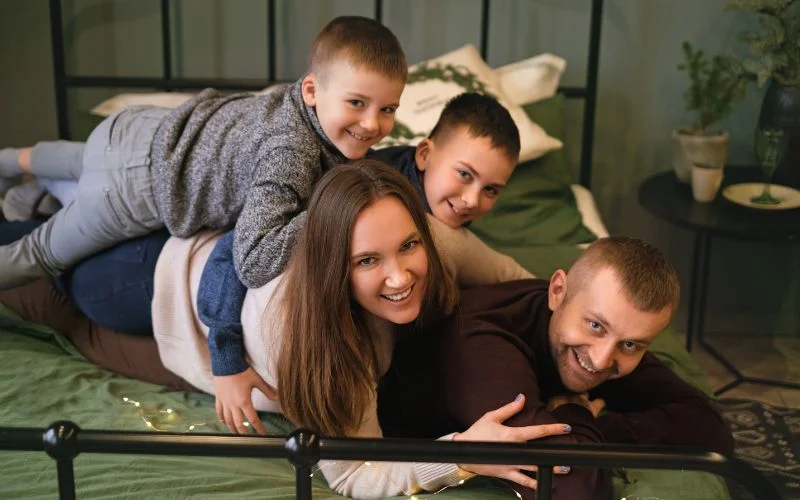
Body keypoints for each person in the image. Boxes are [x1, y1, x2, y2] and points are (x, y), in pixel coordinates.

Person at [0, 161, 566, 498]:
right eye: (367, 261)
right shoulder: (312, 344)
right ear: (330, 263)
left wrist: (569, 316)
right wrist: (461, 455)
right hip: (160, 296)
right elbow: (352, 475)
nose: (400, 276)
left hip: (200, 265)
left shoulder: (412, 232)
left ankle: (35, 210)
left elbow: (522, 281)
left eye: (409, 246)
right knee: (54, 301)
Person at [200, 91, 526, 436]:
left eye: (491, 191)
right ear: (425, 154)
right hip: (197, 271)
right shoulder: (352, 199)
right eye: (463, 174)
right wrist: (226, 361)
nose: (471, 200)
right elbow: (236, 250)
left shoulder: (441, 224)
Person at [0, 15, 406, 290]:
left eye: (387, 109)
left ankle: (11, 167)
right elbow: (252, 260)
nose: (372, 125)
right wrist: (330, 210)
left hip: (136, 127)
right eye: (357, 103)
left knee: (78, 158)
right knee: (39, 254)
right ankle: (32, 202)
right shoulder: (290, 153)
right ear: (312, 90)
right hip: (133, 189)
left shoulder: (290, 103)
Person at [377, 236, 735, 499]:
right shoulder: (482, 344)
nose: (599, 361)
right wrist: (572, 413)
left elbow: (710, 428)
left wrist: (593, 425)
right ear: (557, 292)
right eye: (595, 325)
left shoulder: (609, 338)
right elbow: (570, 486)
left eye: (631, 345)